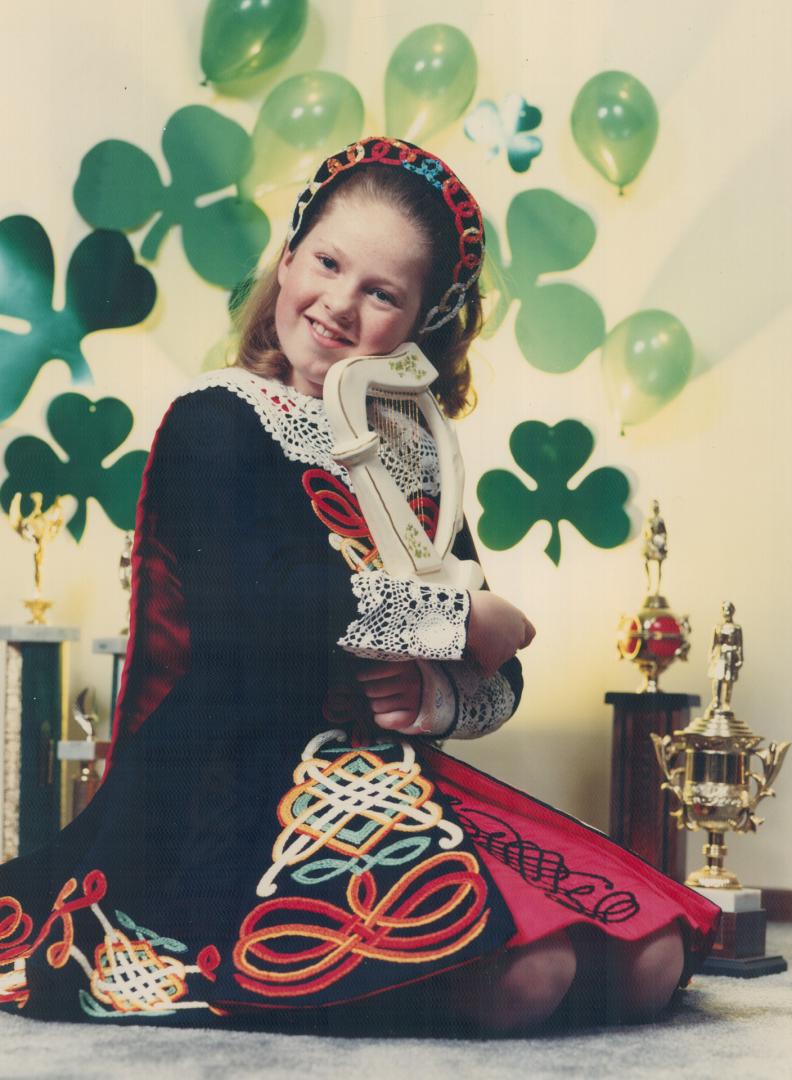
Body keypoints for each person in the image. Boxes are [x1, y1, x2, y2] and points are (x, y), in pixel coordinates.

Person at [0, 136, 719, 1032]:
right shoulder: (219, 416)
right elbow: (253, 610)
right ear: (290, 256)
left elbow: (500, 681)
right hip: (236, 781)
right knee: (529, 977)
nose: (339, 303)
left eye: (382, 292)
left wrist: (433, 694)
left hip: (389, 770)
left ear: (420, 324)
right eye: (329, 263)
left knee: (652, 957)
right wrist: (452, 622)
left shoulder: (416, 455)